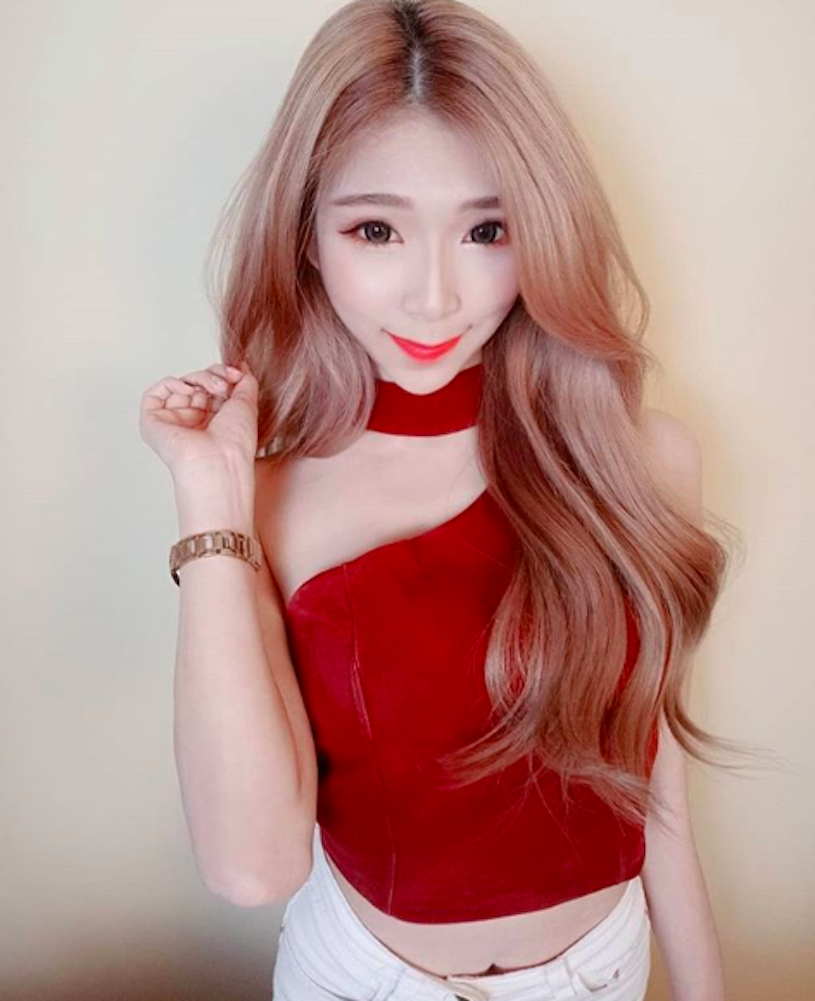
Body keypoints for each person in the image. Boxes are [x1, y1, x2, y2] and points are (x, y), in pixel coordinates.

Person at [139, 1, 751, 997]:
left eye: (487, 228)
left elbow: (653, 772)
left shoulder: (641, 459)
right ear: (306, 239)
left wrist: (702, 986)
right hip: (363, 978)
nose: (435, 296)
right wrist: (210, 500)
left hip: (605, 967)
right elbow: (253, 866)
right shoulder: (265, 502)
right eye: (376, 228)